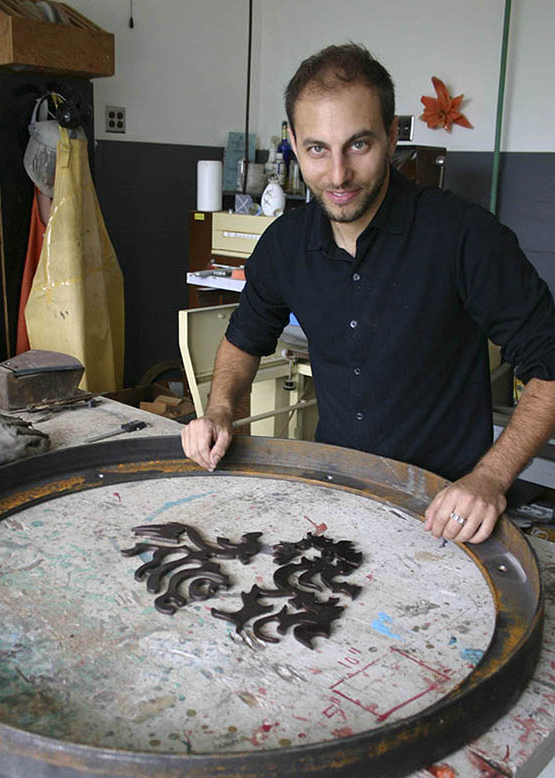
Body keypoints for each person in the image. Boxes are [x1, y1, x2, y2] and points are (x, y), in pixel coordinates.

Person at [182, 42, 555, 545]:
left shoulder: (463, 236)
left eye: (358, 144)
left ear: (391, 134)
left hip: (448, 509)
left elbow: (549, 365)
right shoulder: (285, 245)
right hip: (337, 499)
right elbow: (243, 341)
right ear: (291, 140)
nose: (337, 175)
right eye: (316, 148)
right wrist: (221, 408)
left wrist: (489, 479)